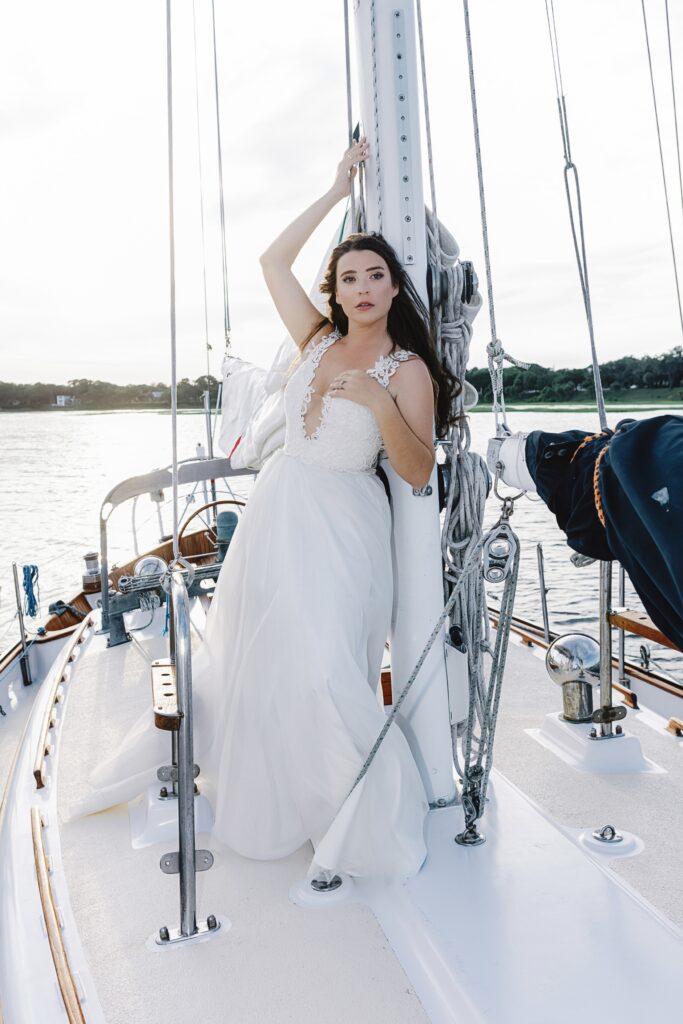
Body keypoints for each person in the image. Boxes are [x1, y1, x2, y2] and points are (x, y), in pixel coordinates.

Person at [75, 139, 460, 885]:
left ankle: (357, 820)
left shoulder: (405, 369)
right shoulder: (315, 341)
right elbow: (271, 263)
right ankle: (286, 806)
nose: (361, 288)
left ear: (392, 288)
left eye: (375, 275)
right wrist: (331, 187)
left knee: (323, 671)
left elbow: (416, 471)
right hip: (278, 514)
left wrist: (381, 404)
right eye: (348, 277)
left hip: (345, 525)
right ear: (337, 291)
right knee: (264, 666)